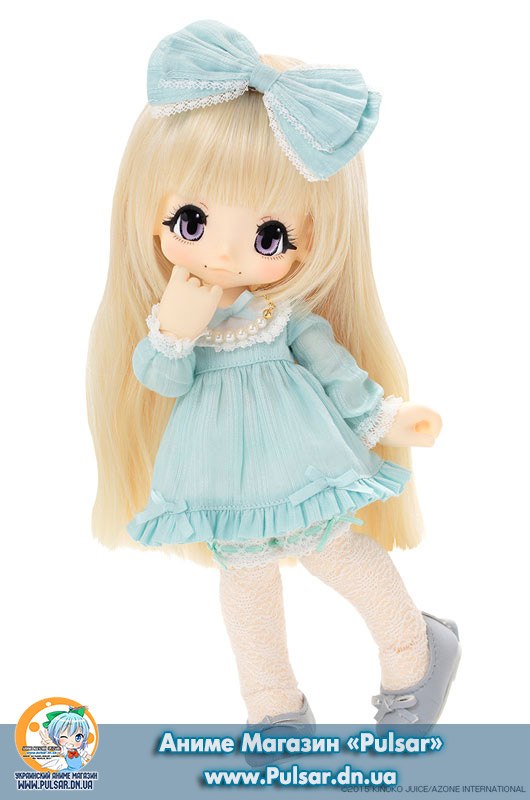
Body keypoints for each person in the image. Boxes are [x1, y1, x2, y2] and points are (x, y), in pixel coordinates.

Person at [87, 19, 461, 728]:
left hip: (300, 461)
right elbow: (161, 380)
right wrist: (176, 330)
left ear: (305, 242)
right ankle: (274, 709)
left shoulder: (281, 318)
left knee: (336, 554)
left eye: (267, 236)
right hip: (223, 475)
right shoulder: (179, 321)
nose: (224, 255)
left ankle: (414, 651)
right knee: (245, 586)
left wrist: (387, 417)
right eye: (192, 222)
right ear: (152, 216)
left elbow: (336, 374)